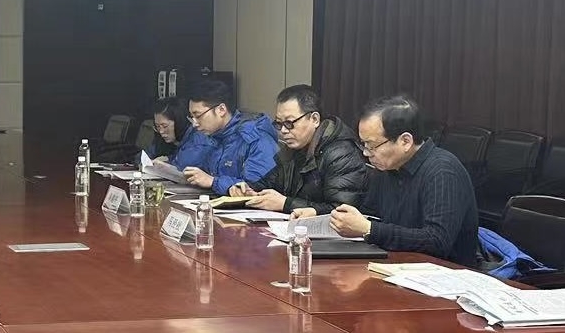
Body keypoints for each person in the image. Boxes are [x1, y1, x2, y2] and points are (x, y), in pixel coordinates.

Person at [310, 93, 479, 266]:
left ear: (405, 141)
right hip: (394, 264)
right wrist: (323, 216)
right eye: (363, 144)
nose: (366, 153)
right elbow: (371, 216)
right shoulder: (387, 168)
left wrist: (369, 229)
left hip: (444, 272)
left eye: (372, 145)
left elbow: (437, 241)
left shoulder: (442, 171)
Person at [231, 84, 366, 214]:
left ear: (314, 119)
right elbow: (269, 184)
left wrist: (286, 204)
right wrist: (249, 190)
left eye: (289, 123)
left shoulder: (341, 153)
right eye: (279, 123)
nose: (283, 131)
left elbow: (341, 210)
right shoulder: (293, 149)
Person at [173, 78, 279, 195]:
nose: (195, 123)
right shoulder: (214, 134)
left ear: (221, 110)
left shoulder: (255, 137)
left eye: (198, 116)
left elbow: (256, 188)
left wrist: (213, 182)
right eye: (191, 117)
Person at [146, 97, 189, 162]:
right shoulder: (160, 139)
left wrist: (168, 160)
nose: (161, 131)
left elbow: (184, 163)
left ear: (178, 122)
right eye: (157, 126)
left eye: (165, 126)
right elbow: (145, 155)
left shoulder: (194, 140)